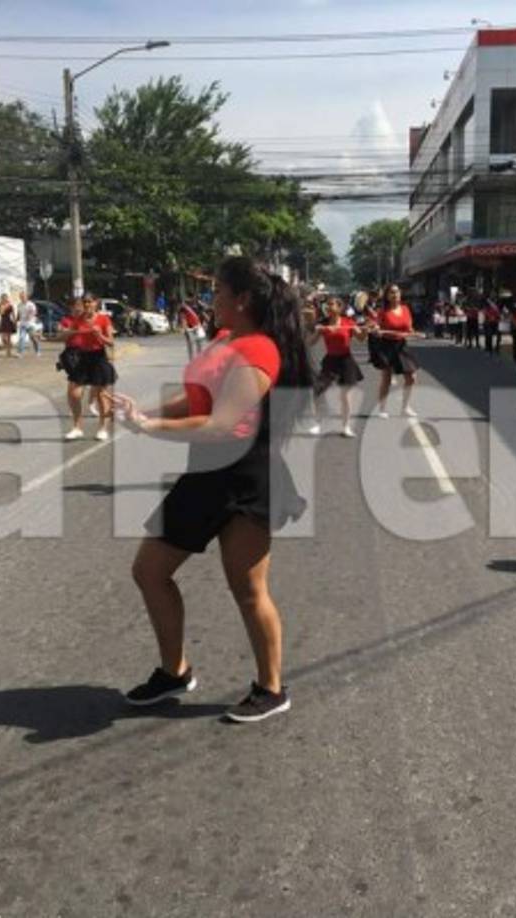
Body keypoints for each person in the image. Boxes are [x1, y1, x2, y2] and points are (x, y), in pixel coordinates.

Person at [116, 256, 311, 723]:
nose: (212, 299)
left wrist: (153, 427)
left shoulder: (259, 350)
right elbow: (197, 398)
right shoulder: (224, 341)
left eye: (218, 291)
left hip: (245, 477)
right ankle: (175, 672)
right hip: (204, 475)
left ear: (241, 299)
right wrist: (142, 413)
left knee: (247, 589)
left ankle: (271, 688)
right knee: (149, 570)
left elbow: (224, 424)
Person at [57, 296, 117, 441]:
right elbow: (63, 336)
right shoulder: (79, 319)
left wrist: (100, 335)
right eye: (85, 302)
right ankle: (77, 428)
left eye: (90, 302)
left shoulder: (103, 319)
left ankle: (103, 428)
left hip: (98, 357)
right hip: (82, 358)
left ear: (96, 303)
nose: (87, 305)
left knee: (100, 395)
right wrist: (68, 333)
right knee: (74, 394)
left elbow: (111, 342)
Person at [310, 297, 367, 437]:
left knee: (345, 397)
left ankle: (346, 427)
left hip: (346, 361)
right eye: (327, 305)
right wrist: (314, 331)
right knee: (317, 392)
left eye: (331, 305)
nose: (328, 307)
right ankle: (318, 424)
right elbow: (311, 342)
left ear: (340, 308)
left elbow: (361, 338)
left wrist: (365, 330)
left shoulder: (348, 323)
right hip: (330, 361)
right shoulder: (322, 324)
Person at [368, 283, 420, 418]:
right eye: (391, 292)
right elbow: (377, 327)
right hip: (386, 345)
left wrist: (414, 333)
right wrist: (377, 330)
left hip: (402, 345)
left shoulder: (405, 309)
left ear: (400, 294)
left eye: (396, 292)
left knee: (412, 378)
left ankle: (405, 407)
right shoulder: (382, 311)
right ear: (387, 296)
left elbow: (409, 328)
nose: (395, 294)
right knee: (387, 378)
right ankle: (382, 409)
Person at [15, 291, 41, 357]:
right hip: (23, 324)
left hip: (30, 324)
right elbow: (19, 314)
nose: (22, 298)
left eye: (23, 296)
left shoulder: (31, 304)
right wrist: (16, 320)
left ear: (26, 297)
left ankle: (37, 351)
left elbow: (34, 312)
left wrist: (30, 316)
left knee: (33, 338)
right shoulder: (19, 305)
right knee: (21, 338)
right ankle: (20, 353)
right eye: (21, 297)